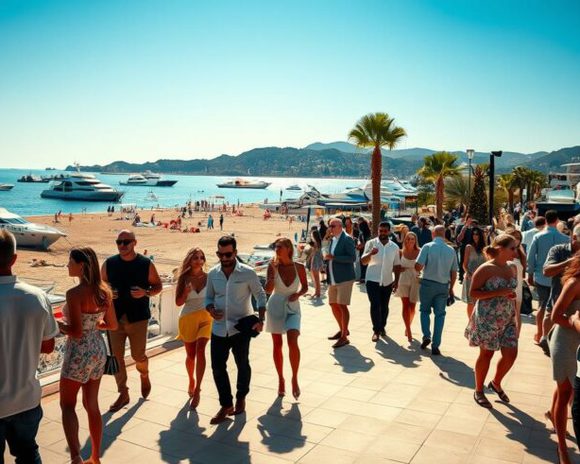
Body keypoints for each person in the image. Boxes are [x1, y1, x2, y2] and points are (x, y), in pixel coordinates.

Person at [0, 230, 58, 464]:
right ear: (14, 259)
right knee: (28, 453)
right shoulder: (37, 297)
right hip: (26, 398)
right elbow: (49, 346)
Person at [59, 248, 118, 464]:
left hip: (78, 352)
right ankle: (95, 457)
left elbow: (76, 331)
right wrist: (95, 324)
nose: (67, 265)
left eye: (70, 261)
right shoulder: (104, 292)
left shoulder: (74, 294)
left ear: (81, 265)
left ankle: (76, 456)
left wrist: (58, 325)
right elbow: (112, 324)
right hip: (97, 350)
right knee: (92, 405)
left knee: (67, 405)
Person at [205, 235, 267, 424]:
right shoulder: (213, 273)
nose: (224, 258)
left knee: (242, 364)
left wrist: (261, 319)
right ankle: (226, 405)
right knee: (217, 368)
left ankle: (241, 397)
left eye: (228, 254)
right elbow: (208, 297)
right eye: (220, 254)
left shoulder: (247, 273)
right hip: (218, 329)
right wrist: (211, 309)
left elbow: (260, 295)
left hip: (241, 327)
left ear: (235, 253)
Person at [101, 230, 163, 412]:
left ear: (135, 243)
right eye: (118, 242)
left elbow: (158, 285)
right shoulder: (109, 263)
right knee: (117, 357)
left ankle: (144, 374)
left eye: (126, 242)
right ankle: (123, 392)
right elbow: (100, 285)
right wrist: (107, 292)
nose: (122, 245)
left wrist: (146, 292)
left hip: (138, 318)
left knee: (138, 356)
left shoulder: (145, 264)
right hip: (114, 318)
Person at [466, 234, 519, 409]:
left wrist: (515, 313)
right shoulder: (485, 269)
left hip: (507, 318)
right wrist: (499, 292)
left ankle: (496, 383)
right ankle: (479, 390)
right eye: (512, 248)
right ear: (500, 249)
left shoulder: (512, 267)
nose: (515, 252)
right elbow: (473, 293)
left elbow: (511, 292)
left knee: (511, 354)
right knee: (486, 354)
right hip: (488, 319)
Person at [265, 238, 308, 399]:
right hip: (275, 306)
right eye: (275, 247)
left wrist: (298, 294)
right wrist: (273, 273)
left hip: (293, 308)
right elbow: (268, 290)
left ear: (289, 249)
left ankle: (294, 378)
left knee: (293, 341)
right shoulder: (272, 266)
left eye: (280, 247)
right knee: (277, 345)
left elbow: (305, 287)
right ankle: (280, 379)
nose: (276, 249)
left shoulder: (299, 267)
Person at [175, 247, 212, 409]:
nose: (199, 261)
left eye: (201, 257)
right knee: (191, 355)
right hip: (188, 318)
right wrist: (185, 292)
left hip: (206, 317)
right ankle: (191, 379)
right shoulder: (184, 278)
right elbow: (178, 302)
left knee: (200, 350)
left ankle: (198, 389)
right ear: (190, 260)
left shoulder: (210, 277)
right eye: (195, 258)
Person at [527, 210, 569, 353]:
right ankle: (549, 335)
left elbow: (531, 256)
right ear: (557, 220)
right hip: (559, 277)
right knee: (554, 306)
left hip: (541, 276)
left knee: (542, 305)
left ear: (545, 220)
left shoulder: (538, 236)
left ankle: (540, 333)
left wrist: (530, 273)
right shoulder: (565, 238)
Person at [551, 253, 580, 464]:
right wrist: (574, 322)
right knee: (565, 393)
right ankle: (562, 448)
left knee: (568, 389)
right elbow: (555, 316)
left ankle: (552, 415)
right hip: (566, 343)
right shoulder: (574, 283)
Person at [415, 225, 458, 356]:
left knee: (424, 311)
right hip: (443, 285)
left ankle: (426, 335)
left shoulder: (427, 247)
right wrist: (451, 289)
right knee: (440, 315)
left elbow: (418, 266)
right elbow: (454, 272)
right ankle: (436, 344)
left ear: (433, 234)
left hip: (428, 283)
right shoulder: (451, 250)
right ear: (444, 235)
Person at [361, 221, 401, 342]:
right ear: (377, 231)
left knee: (384, 307)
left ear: (389, 231)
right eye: (380, 231)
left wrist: (396, 281)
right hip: (372, 280)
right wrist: (370, 253)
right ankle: (376, 331)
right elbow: (363, 261)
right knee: (375, 305)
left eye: (385, 231)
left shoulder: (394, 247)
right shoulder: (371, 243)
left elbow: (397, 265)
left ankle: (382, 326)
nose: (382, 233)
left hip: (387, 281)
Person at [325, 218, 356, 348]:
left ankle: (344, 337)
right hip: (333, 278)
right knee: (333, 304)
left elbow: (352, 257)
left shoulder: (347, 239)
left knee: (342, 306)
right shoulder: (332, 239)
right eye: (330, 226)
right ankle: (343, 329)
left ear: (340, 226)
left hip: (344, 278)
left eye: (332, 226)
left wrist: (334, 258)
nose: (330, 228)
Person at [396, 232, 420, 343]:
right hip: (403, 279)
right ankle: (409, 330)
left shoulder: (420, 251)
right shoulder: (400, 252)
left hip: (415, 279)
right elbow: (395, 266)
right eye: (408, 239)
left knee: (413, 307)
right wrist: (398, 269)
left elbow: (424, 265)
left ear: (415, 240)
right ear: (405, 240)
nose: (410, 241)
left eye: (412, 239)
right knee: (405, 305)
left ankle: (408, 325)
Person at [461, 227, 487, 319]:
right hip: (470, 277)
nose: (475, 236)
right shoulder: (468, 247)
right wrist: (468, 274)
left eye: (477, 234)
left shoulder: (485, 248)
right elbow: (464, 265)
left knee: (481, 301)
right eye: (473, 234)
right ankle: (471, 322)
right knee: (470, 302)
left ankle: (478, 321)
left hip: (482, 278)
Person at [455, 216, 479, 283]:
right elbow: (458, 239)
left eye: (471, 221)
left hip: (473, 248)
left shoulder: (474, 229)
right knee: (463, 262)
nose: (470, 222)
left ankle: (472, 277)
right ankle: (461, 277)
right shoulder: (461, 227)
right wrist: (464, 229)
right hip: (464, 247)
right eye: (469, 220)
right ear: (466, 220)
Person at [307, 228, 323, 298]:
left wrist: (309, 258)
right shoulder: (319, 242)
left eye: (312, 235)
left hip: (315, 260)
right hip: (317, 260)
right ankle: (317, 292)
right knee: (316, 278)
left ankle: (317, 293)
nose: (311, 236)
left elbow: (313, 252)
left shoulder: (316, 243)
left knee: (316, 278)